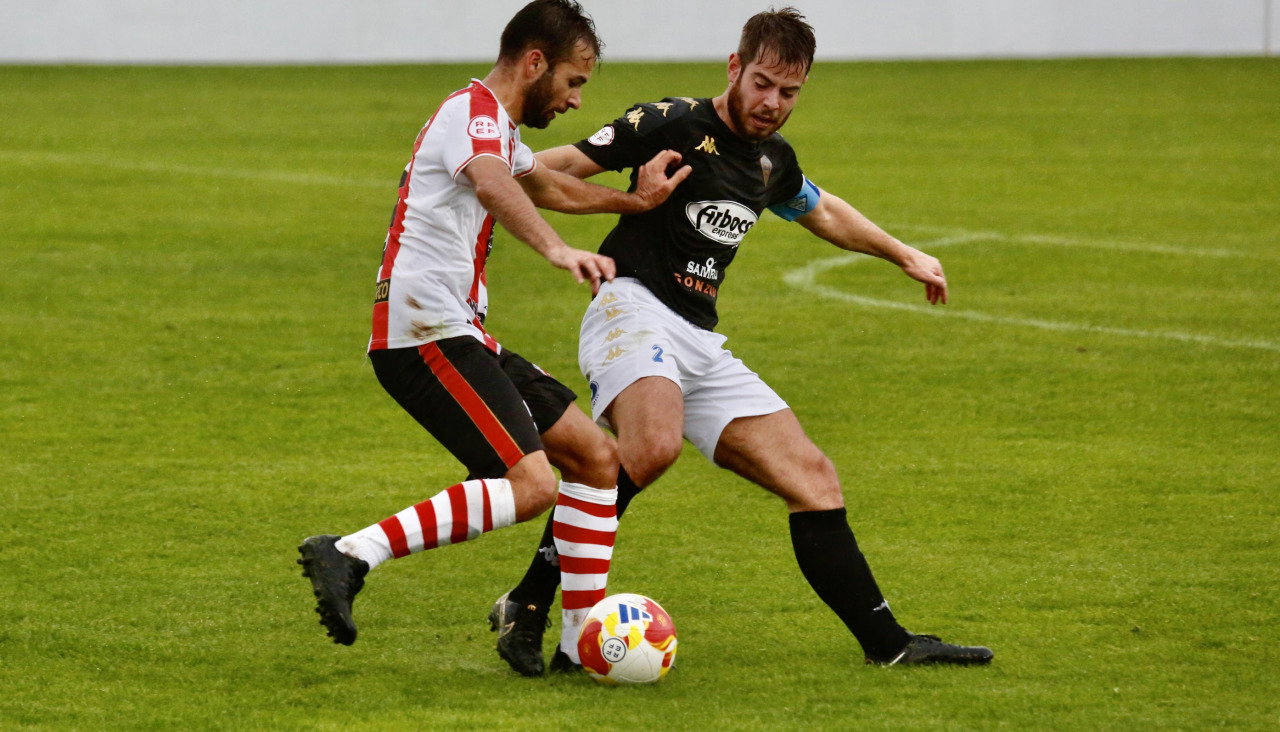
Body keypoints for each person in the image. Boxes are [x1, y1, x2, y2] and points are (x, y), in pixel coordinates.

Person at [490, 6, 993, 674]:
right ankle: (530, 601)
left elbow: (824, 210)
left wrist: (902, 254)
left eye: (789, 93)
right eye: (761, 83)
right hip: (631, 307)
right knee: (652, 445)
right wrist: (482, 165)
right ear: (735, 67)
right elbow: (555, 166)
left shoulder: (769, 162)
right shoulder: (670, 122)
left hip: (697, 337)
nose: (771, 103)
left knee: (812, 476)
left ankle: (889, 645)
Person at [296, 0, 690, 672]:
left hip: (460, 333)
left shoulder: (498, 131)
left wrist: (638, 202)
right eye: (573, 82)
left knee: (596, 458)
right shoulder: (472, 114)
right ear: (534, 62)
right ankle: (353, 552)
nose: (573, 100)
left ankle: (576, 648)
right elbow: (496, 185)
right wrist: (559, 252)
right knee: (533, 484)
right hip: (421, 336)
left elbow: (550, 187)